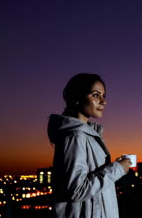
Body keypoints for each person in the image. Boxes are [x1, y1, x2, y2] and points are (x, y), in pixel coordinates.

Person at [47, 73, 131, 218]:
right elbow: (76, 190)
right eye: (96, 95)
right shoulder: (75, 136)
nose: (103, 101)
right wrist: (117, 169)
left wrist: (115, 167)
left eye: (104, 95)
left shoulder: (85, 135)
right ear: (77, 98)